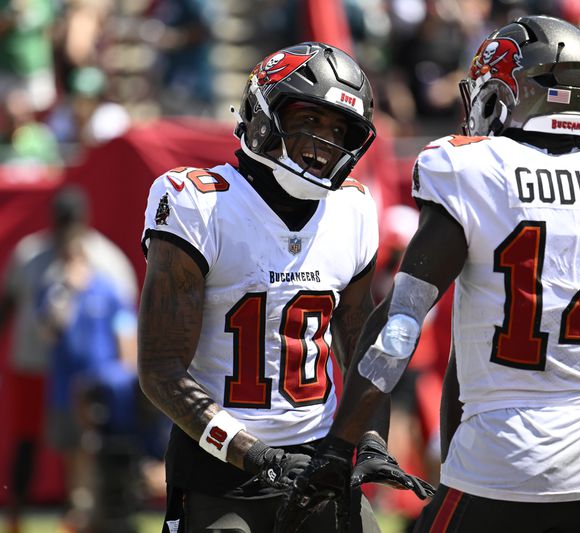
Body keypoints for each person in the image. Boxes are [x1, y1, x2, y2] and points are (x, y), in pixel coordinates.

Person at [277, 15, 580, 533]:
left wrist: (341, 446)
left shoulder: (474, 171)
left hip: (504, 459)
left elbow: (400, 326)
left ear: (510, 95)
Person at [137, 41, 432, 533]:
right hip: (220, 469)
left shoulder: (352, 209)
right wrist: (261, 457)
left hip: (317, 463)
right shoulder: (200, 204)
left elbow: (360, 347)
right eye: (309, 120)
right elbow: (161, 371)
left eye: (339, 130)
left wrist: (370, 439)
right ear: (261, 116)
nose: (324, 142)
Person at [0, 185, 137, 533]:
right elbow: (9, 305)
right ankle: (16, 516)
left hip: (91, 372)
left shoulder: (106, 260)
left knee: (92, 446)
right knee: (30, 442)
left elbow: (127, 321)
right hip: (33, 362)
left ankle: (90, 514)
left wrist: (125, 371)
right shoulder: (31, 254)